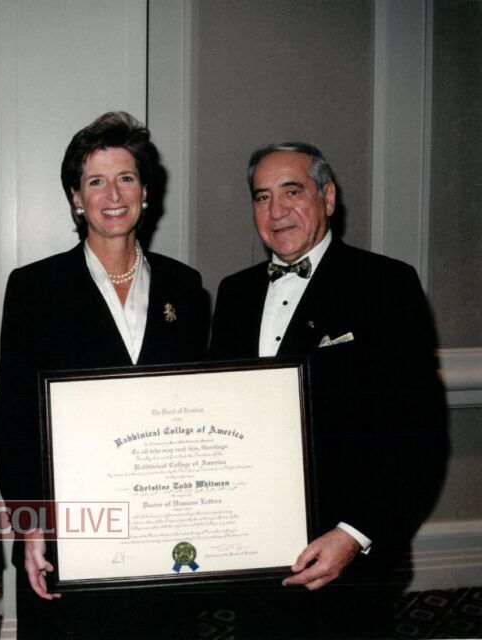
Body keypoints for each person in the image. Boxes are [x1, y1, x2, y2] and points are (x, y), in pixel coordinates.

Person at [208, 142, 448, 638]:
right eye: (262, 197)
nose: (276, 212)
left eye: (292, 191)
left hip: (346, 554)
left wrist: (354, 534)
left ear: (329, 197)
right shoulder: (234, 293)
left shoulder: (386, 284)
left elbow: (418, 433)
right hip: (254, 546)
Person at [0, 112, 210, 638]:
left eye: (126, 178)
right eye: (95, 181)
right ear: (75, 197)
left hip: (163, 526)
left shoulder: (186, 287)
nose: (113, 194)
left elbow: (201, 407)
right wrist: (30, 525)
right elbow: (13, 418)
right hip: (73, 528)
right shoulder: (33, 288)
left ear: (146, 192)